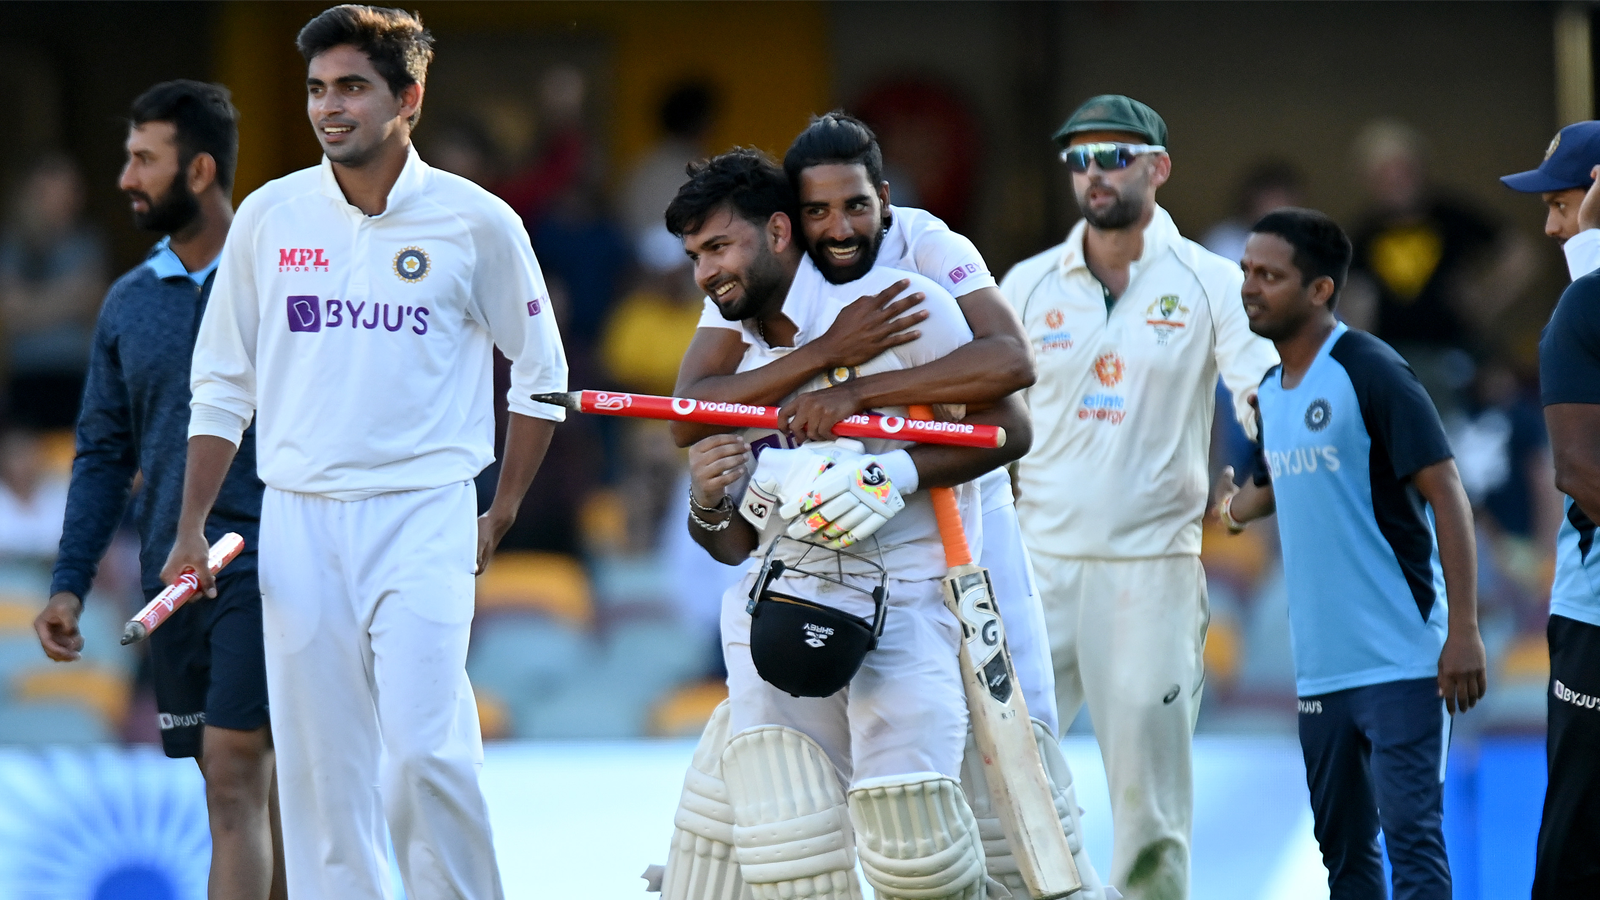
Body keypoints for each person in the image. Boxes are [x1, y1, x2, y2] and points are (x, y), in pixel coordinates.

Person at [160, 8, 567, 899]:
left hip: (425, 510)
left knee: (426, 754)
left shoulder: (477, 221)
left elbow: (541, 376)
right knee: (319, 775)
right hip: (298, 517)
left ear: (408, 98)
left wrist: (498, 512)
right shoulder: (269, 216)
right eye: (317, 89)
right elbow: (223, 386)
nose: (328, 108)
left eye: (352, 87)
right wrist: (192, 527)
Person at [663, 111, 1108, 899]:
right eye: (819, 212)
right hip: (791, 583)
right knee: (777, 838)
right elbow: (690, 419)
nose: (837, 228)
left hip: (945, 549)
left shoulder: (914, 280)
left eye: (856, 207)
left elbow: (1010, 400)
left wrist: (880, 441)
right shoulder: (738, 303)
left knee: (964, 821)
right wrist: (817, 367)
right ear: (792, 221)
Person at [996, 94, 1279, 900]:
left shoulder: (1211, 280)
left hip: (1150, 571)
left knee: (1150, 814)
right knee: (995, 776)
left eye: (1114, 156)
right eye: (1078, 159)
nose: (1093, 173)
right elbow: (975, 411)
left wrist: (1279, 466)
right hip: (1036, 565)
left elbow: (1264, 391)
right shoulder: (1025, 284)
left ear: (1158, 167)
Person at [29, 81, 284, 899]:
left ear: (200, 170)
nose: (125, 178)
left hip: (272, 561)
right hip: (174, 581)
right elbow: (102, 454)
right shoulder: (128, 303)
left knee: (235, 771)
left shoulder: (287, 283)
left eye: (145, 159)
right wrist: (68, 583)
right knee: (245, 796)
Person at [1210, 208, 1486, 900]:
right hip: (1321, 673)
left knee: (1414, 851)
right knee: (1345, 861)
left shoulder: (1370, 368)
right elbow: (1284, 478)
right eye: (1246, 272)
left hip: (1403, 659)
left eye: (1269, 276)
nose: (1250, 287)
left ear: (1320, 291)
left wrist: (1465, 632)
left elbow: (1446, 492)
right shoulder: (1270, 394)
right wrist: (1235, 508)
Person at [1500, 119, 1600, 897]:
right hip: (1594, 617)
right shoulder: (1579, 309)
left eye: (1562, 204)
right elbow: (1580, 473)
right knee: (1578, 834)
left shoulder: (1583, 308)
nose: (1549, 224)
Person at [0, 154, 110, 428]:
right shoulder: (13, 246)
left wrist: (32, 303)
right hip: (27, 377)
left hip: (78, 376)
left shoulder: (87, 244)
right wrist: (68, 296)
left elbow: (93, 301)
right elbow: (8, 309)